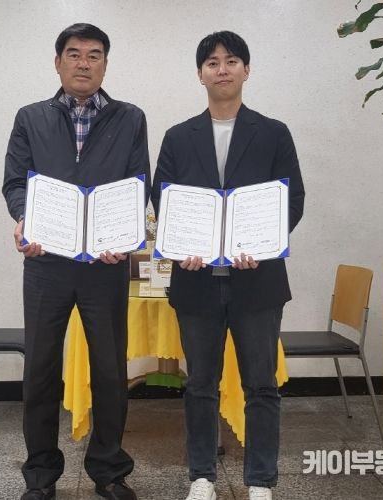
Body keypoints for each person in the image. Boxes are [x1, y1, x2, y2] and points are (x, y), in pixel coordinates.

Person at [151, 31, 304, 500]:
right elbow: (163, 199)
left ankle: (260, 480)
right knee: (200, 384)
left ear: (246, 70)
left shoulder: (273, 133)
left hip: (258, 280)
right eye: (212, 62)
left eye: (232, 60)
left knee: (261, 385)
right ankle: (202, 476)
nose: (222, 69)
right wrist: (180, 245)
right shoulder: (179, 136)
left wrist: (263, 244)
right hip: (196, 280)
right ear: (200, 74)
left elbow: (292, 199)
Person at [2, 23, 149, 500]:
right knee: (41, 370)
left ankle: (109, 471)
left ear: (105, 63)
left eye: (94, 54)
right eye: (74, 53)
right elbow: (16, 181)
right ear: (57, 62)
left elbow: (138, 183)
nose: (83, 63)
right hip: (46, 263)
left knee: (109, 370)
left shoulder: (130, 118)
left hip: (105, 265)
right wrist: (25, 218)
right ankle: (40, 477)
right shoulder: (31, 117)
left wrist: (123, 236)